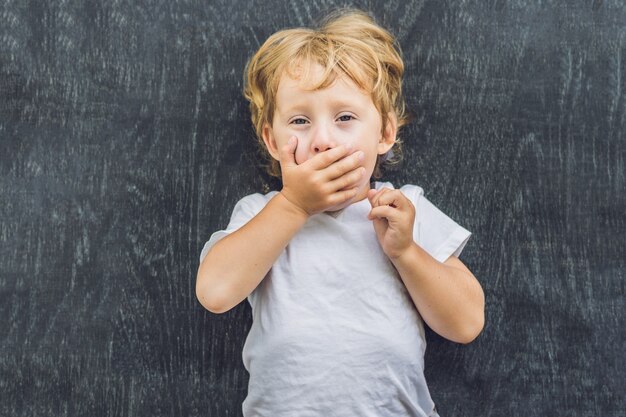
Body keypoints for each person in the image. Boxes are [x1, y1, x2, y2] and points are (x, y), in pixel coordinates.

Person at [196, 8, 485, 417]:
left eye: (345, 118)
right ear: (273, 141)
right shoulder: (260, 213)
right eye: (299, 120)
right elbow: (214, 293)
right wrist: (294, 204)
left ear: (385, 132)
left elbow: (466, 322)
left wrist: (407, 252)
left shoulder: (405, 210)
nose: (322, 140)